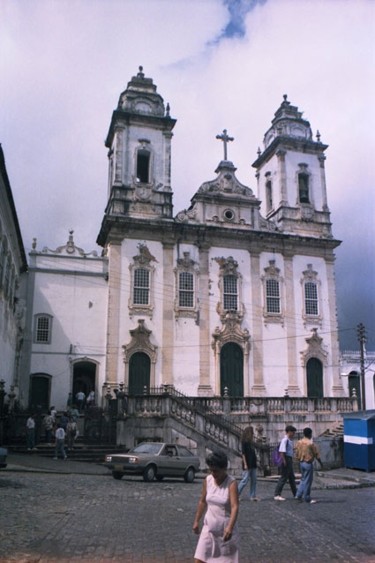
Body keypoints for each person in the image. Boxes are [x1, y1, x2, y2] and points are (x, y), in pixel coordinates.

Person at [193, 451, 239, 563]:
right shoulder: (208, 480)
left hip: (224, 531)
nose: (213, 473)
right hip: (208, 528)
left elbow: (235, 506)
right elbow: (202, 501)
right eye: (211, 470)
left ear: (224, 469)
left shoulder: (231, 483)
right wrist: (196, 521)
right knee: (199, 559)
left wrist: (230, 528)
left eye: (216, 471)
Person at [295, 427, 323, 504]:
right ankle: (307, 497)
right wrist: (321, 463)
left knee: (303, 479)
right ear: (310, 434)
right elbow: (316, 454)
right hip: (308, 463)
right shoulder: (310, 443)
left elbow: (296, 452)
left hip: (301, 462)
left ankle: (298, 494)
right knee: (308, 481)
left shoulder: (299, 442)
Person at [274, 425, 297, 501]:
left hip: (289, 459)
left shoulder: (289, 440)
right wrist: (284, 461)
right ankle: (277, 494)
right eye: (293, 432)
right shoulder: (285, 440)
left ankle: (296, 494)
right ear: (289, 432)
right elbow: (282, 451)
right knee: (284, 477)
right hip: (286, 459)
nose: (294, 434)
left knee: (291, 478)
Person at [238, 425, 259, 501]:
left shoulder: (250, 442)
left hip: (253, 463)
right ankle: (236, 494)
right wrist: (245, 464)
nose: (253, 434)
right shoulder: (244, 442)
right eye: (252, 433)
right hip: (247, 463)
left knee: (254, 480)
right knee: (245, 480)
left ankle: (252, 495)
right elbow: (243, 454)